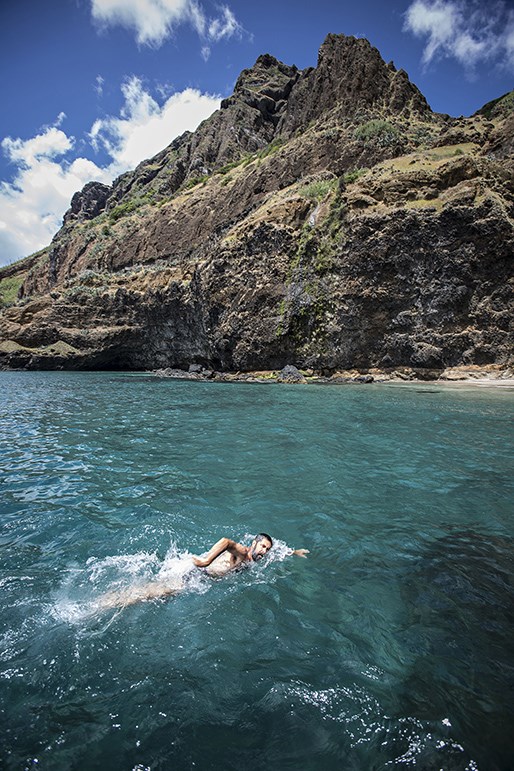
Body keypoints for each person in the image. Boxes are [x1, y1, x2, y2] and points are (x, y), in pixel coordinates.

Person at [96, 533, 308, 609]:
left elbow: (278, 551)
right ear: (254, 542)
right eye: (262, 546)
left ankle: (116, 599)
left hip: (199, 579)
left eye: (267, 549)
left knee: (158, 596)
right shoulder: (244, 552)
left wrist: (294, 552)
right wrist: (206, 561)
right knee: (153, 592)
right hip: (194, 575)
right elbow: (226, 541)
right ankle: (106, 602)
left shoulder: (255, 557)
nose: (264, 551)